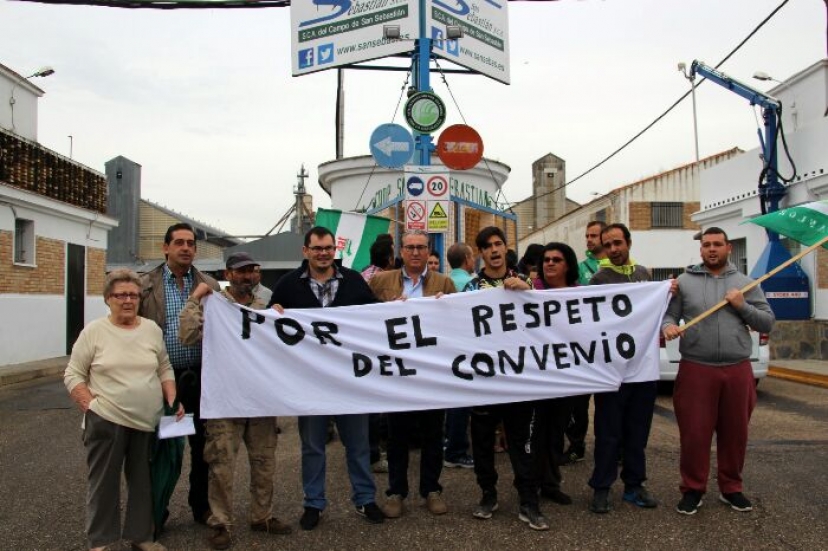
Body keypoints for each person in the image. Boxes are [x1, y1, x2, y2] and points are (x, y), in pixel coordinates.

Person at [267, 226, 384, 530]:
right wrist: (273, 312)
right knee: (313, 445)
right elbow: (267, 324)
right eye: (317, 248)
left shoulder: (354, 281)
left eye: (328, 248)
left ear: (335, 250)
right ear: (305, 251)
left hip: (350, 380)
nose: (323, 254)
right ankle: (313, 503)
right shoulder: (288, 285)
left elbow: (376, 318)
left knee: (358, 443)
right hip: (310, 383)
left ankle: (365, 498)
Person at [65, 269, 184, 551]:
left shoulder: (151, 330)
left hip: (147, 422)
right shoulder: (95, 331)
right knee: (103, 484)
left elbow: (164, 367)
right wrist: (90, 406)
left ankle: (141, 537)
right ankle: (100, 542)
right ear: (108, 299)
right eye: (121, 295)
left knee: (144, 484)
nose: (128, 300)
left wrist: (171, 399)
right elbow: (73, 374)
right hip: (106, 421)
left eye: (133, 295)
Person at [179, 252, 291, 549]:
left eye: (253, 271)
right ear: (228, 274)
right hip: (224, 400)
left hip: (260, 400)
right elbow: (187, 335)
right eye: (241, 272)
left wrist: (279, 317)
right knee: (221, 466)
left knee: (264, 461)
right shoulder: (214, 305)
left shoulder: (264, 307)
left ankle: (261, 515)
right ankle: (221, 523)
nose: (247, 277)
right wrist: (195, 299)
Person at [663, 227, 774, 516]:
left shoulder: (747, 283)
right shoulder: (684, 282)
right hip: (697, 368)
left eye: (717, 244)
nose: (711, 249)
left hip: (737, 369)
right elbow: (670, 314)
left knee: (735, 433)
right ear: (701, 250)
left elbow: (767, 322)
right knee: (695, 434)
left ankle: (731, 489)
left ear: (728, 249)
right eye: (707, 245)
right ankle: (692, 489)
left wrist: (742, 305)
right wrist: (668, 327)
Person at [464, 226, 549, 531]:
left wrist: (529, 293)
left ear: (506, 247)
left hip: (520, 379)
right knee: (483, 442)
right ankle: (488, 494)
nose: (495, 250)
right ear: (481, 253)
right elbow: (456, 326)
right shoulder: (471, 289)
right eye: (488, 246)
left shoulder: (527, 283)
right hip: (485, 380)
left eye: (499, 244)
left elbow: (548, 320)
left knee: (522, 442)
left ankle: (529, 500)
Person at [369, 230, 456, 519]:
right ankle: (396, 491)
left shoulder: (444, 282)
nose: (416, 252)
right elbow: (360, 315)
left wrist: (449, 306)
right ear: (401, 251)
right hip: (398, 374)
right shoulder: (380, 281)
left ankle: (432, 489)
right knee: (397, 437)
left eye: (421, 247)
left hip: (432, 375)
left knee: (433, 434)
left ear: (429, 250)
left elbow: (460, 324)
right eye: (410, 247)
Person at [138, 222, 220, 526]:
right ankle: (157, 511)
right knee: (166, 448)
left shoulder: (209, 285)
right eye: (179, 242)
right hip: (165, 381)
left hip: (200, 378)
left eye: (190, 243)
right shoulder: (146, 285)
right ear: (165, 247)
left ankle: (201, 508)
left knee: (202, 449)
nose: (186, 248)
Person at [588, 223, 658, 514]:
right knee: (608, 432)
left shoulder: (645, 275)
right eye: (608, 245)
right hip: (612, 371)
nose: (614, 249)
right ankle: (601, 487)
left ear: (628, 242)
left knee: (637, 432)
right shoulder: (598, 279)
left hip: (643, 369)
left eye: (618, 243)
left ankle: (634, 485)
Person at [531, 243, 580, 508]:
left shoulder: (581, 295)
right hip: (537, 377)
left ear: (567, 265)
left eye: (556, 260)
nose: (549, 264)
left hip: (567, 377)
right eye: (546, 260)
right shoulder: (530, 293)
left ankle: (551, 483)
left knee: (556, 431)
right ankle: (532, 483)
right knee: (536, 433)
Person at [565, 220, 608, 464]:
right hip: (581, 345)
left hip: (606, 345)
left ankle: (611, 446)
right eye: (587, 235)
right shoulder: (580, 268)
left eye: (594, 236)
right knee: (578, 403)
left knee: (608, 402)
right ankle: (576, 444)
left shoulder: (617, 268)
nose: (589, 240)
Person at [442, 242, 476, 470]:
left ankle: (449, 443)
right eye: (472, 256)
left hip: (445, 348)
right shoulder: (472, 285)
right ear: (466, 259)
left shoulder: (442, 282)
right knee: (462, 402)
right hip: (465, 349)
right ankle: (456, 451)